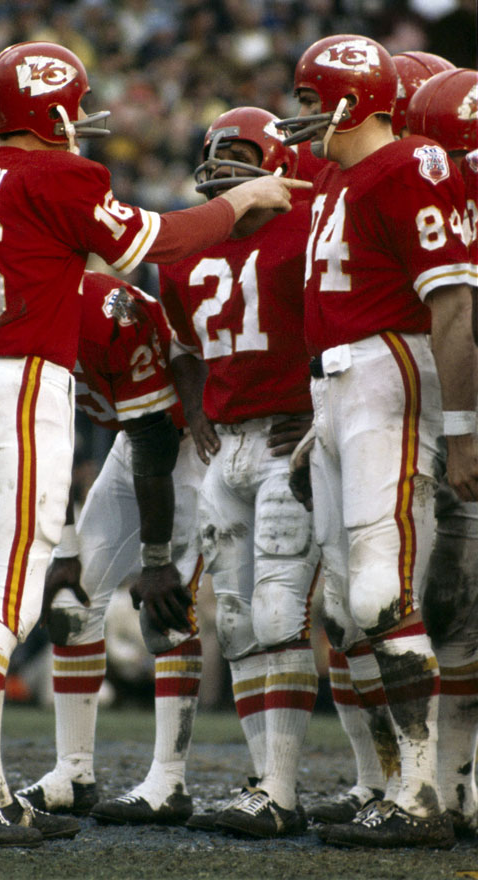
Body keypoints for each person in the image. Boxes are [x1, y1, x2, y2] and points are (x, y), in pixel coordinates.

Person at [0, 39, 308, 847]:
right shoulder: (65, 179)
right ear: (54, 109)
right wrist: (239, 201)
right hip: (22, 385)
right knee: (10, 603)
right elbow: (153, 241)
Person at [276, 34, 477, 848]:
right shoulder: (341, 176)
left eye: (311, 98)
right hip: (338, 385)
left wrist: (460, 430)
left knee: (380, 595)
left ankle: (423, 794)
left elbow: (453, 306)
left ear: (354, 100)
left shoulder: (408, 165)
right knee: (344, 606)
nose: (301, 115)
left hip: (385, 375)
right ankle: (394, 783)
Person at [154, 107, 321, 839]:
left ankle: (284, 790)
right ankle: (265, 784)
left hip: (292, 440)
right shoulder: (186, 246)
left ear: (278, 163)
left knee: (282, 612)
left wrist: (320, 402)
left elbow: (353, 321)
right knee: (236, 619)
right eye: (215, 153)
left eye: (240, 155)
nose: (222, 167)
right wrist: (195, 408)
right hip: (228, 448)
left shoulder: (311, 226)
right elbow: (182, 346)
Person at [16, 269, 206, 826]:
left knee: (168, 613)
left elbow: (154, 435)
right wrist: (65, 544)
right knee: (72, 604)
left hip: (188, 444)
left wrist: (154, 561)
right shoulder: (22, 312)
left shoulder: (112, 311)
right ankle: (73, 772)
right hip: (133, 443)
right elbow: (46, 437)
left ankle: (169, 779)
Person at [405, 66, 478, 840]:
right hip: (441, 410)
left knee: (452, 608)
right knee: (450, 610)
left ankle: (443, 786)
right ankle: (450, 788)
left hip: (451, 415)